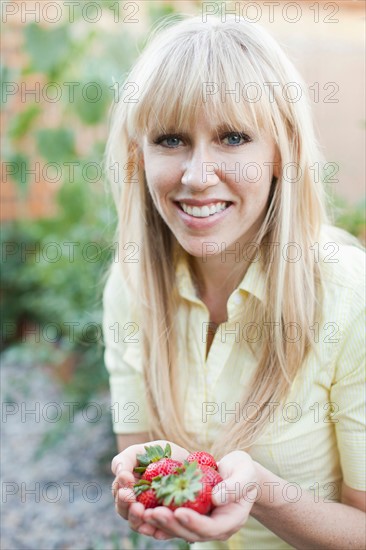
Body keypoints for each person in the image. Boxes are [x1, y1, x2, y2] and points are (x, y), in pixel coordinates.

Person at [102, 13, 365, 549]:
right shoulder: (131, 286)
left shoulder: (349, 297)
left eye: (233, 137)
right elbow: (141, 453)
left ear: (280, 156)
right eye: (171, 139)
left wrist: (261, 492)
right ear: (139, 156)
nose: (197, 176)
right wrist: (144, 478)